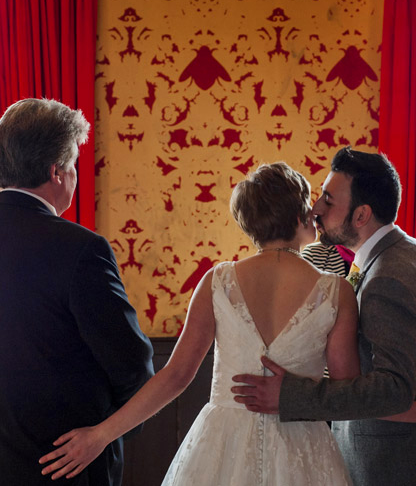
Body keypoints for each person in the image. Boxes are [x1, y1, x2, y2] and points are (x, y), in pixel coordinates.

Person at [39, 162, 360, 484]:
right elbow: (348, 392)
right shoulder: (337, 292)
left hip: (221, 446)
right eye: (309, 204)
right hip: (303, 447)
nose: (315, 213)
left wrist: (102, 435)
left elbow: (176, 376)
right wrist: (297, 393)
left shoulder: (218, 281)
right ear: (297, 215)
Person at [232, 147, 416, 485]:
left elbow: (391, 390)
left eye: (328, 200)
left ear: (361, 216)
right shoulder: (412, 253)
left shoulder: (389, 275)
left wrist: (289, 396)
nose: (315, 209)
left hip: (412, 467)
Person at [0, 98, 154, 486]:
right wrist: (104, 435)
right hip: (59, 465)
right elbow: (133, 366)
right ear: (57, 172)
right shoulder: (81, 250)